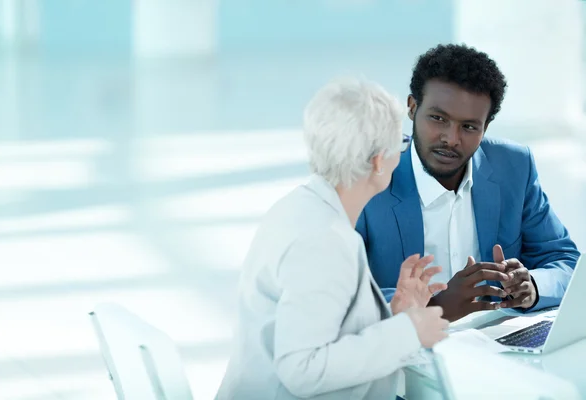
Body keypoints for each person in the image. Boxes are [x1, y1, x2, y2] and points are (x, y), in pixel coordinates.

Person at [216, 78, 449, 400]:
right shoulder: (324, 241)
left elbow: (321, 327)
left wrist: (396, 315)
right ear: (378, 161)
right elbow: (303, 369)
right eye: (403, 142)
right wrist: (410, 332)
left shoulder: (300, 207)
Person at [356, 44, 581, 323]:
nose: (451, 138)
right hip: (406, 349)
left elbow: (566, 261)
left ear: (486, 126)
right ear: (412, 108)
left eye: (469, 126)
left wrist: (532, 285)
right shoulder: (367, 177)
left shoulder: (513, 167)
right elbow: (340, 294)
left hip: (495, 343)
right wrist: (433, 306)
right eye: (438, 118)